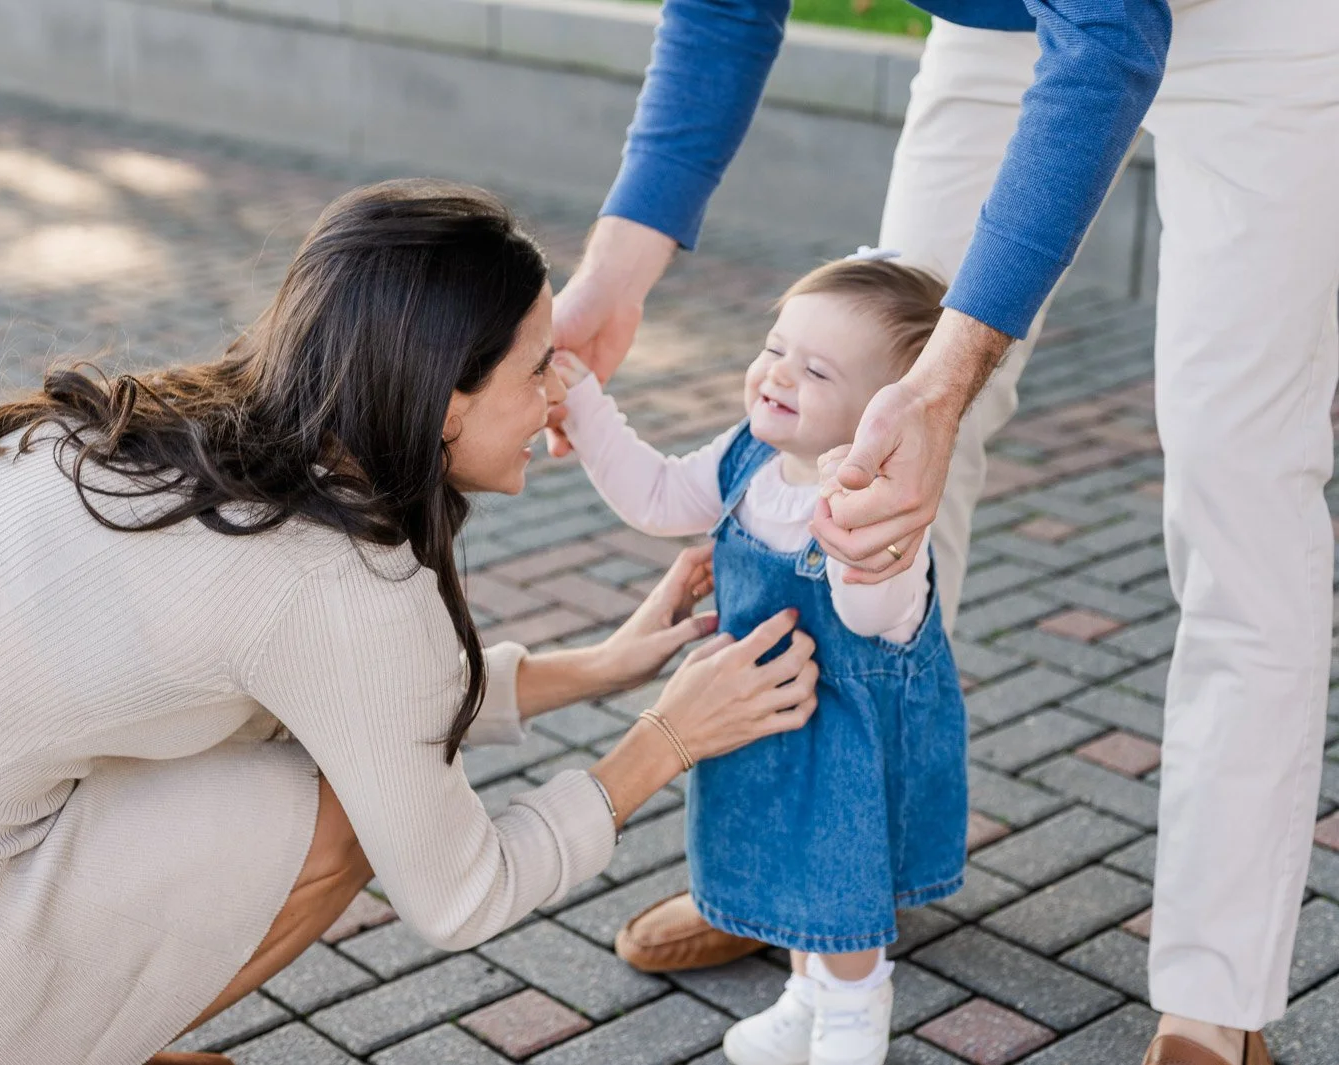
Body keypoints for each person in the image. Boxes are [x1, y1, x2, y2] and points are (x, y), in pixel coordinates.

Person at [0, 180, 822, 1065]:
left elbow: (350, 697)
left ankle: (56, 1020)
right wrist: (666, 743)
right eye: (540, 364)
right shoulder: (332, 576)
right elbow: (462, 893)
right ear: (443, 399)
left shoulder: (180, 444)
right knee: (331, 819)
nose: (565, 389)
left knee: (262, 748)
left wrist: (597, 668)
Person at [550, 2, 1339, 1063]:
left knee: (1236, 473)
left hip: (1255, 25)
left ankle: (1213, 999)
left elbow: (1108, 32)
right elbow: (722, 9)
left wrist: (947, 378)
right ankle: (820, 891)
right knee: (869, 429)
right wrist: (612, 277)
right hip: (1007, 24)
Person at [556, 251, 967, 1065]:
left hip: (844, 740)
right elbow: (661, 497)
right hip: (757, 721)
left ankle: (853, 1006)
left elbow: (878, 613)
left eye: (815, 370)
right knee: (790, 872)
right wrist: (583, 404)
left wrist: (860, 550)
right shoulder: (749, 459)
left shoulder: (882, 511)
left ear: (883, 415)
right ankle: (806, 992)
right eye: (775, 347)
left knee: (837, 874)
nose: (777, 374)